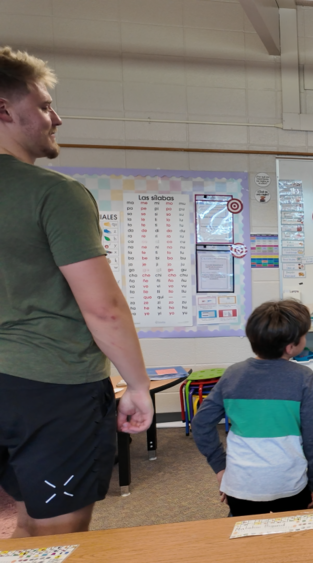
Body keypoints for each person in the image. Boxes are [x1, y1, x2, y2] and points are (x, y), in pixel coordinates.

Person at [0, 46, 153, 537]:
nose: (56, 117)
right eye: (44, 106)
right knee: (58, 537)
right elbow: (103, 308)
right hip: (52, 385)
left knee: (23, 517)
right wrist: (138, 385)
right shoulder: (54, 194)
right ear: (5, 110)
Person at [192, 300, 313, 517]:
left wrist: (220, 468)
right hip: (289, 483)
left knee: (246, 542)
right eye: (304, 334)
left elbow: (200, 423)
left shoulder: (232, 374)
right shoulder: (303, 378)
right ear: (290, 346)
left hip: (240, 485)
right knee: (295, 540)